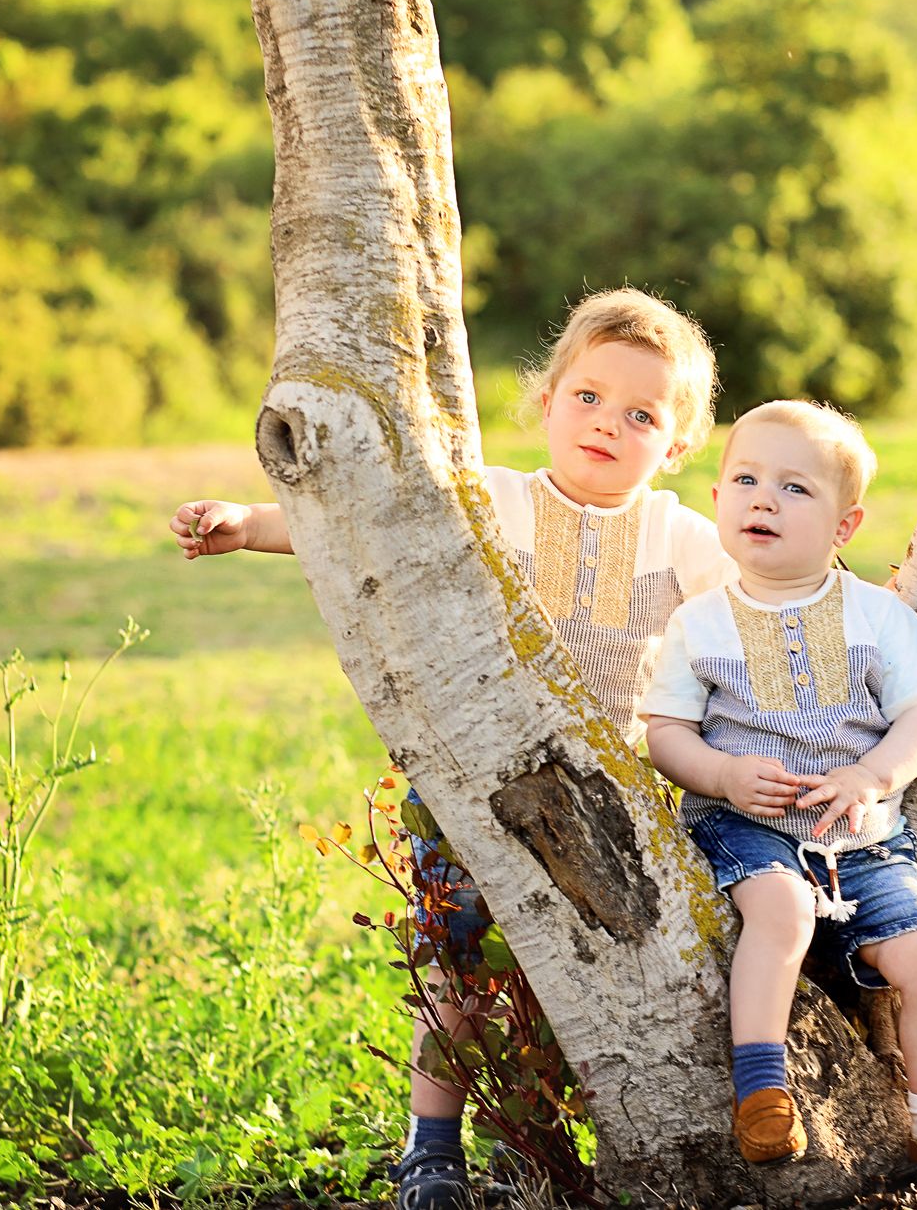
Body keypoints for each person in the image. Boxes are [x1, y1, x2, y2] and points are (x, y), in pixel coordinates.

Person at [169, 289, 733, 1210]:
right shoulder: (494, 500)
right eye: (586, 397)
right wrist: (250, 523)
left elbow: (767, 595)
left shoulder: (681, 540)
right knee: (460, 967)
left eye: (641, 415)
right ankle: (430, 1143)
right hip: (475, 793)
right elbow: (363, 531)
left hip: (614, 818)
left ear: (674, 446)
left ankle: (537, 1141)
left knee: (575, 986)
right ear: (546, 401)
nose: (605, 425)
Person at [640, 400, 917, 1170]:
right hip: (745, 820)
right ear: (718, 498)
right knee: (782, 909)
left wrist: (872, 773)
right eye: (746, 479)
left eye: (795, 488)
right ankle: (761, 1093)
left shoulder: (875, 614)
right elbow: (666, 734)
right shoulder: (700, 623)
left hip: (862, 835)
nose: (764, 499)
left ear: (844, 527)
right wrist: (723, 772)